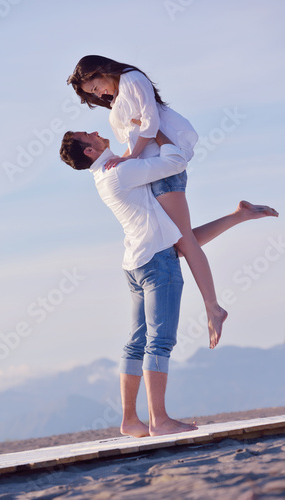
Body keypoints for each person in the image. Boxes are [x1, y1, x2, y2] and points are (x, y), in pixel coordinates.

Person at [59, 128, 278, 437]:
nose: (96, 132)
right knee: (160, 342)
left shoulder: (106, 175)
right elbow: (174, 161)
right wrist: (156, 133)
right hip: (156, 262)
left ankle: (130, 421)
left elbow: (183, 239)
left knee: (136, 344)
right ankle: (159, 420)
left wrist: (237, 217)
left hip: (135, 262)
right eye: (89, 135)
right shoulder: (120, 172)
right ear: (89, 152)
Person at [68, 55, 226, 350]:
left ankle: (214, 308)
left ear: (101, 71)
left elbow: (150, 123)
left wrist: (130, 156)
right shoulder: (120, 95)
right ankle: (239, 217)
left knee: (185, 243)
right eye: (93, 93)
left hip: (164, 168)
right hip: (153, 170)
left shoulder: (132, 79)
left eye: (95, 86)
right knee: (181, 242)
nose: (99, 93)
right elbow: (135, 132)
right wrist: (127, 156)